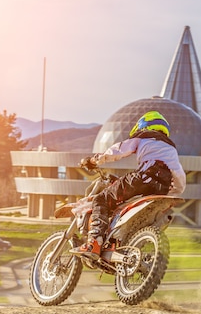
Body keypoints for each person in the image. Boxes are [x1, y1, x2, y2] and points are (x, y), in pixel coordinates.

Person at [70, 111, 186, 260]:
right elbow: (180, 177)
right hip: (159, 189)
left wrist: (94, 161)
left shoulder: (143, 137)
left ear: (143, 125)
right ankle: (117, 243)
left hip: (141, 179)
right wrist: (171, 195)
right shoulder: (171, 149)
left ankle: (94, 243)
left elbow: (117, 151)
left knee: (101, 200)